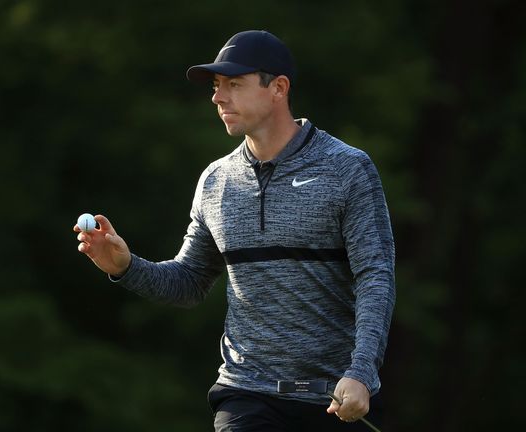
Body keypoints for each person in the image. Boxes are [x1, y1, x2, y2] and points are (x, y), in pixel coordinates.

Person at [74, 30, 395, 431]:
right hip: (246, 393)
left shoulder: (347, 169)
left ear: (278, 88)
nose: (218, 97)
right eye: (216, 86)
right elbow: (189, 282)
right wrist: (125, 266)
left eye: (234, 84)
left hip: (336, 397)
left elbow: (375, 278)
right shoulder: (216, 181)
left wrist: (361, 372)